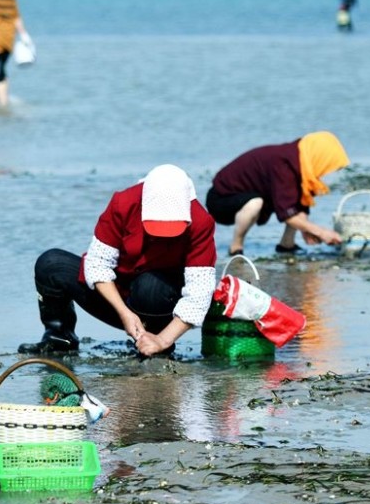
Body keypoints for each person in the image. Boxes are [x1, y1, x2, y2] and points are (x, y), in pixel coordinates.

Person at [19, 165, 217, 358]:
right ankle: (59, 336)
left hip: (160, 304)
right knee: (50, 264)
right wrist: (124, 313)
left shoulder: (200, 222)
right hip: (116, 297)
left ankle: (154, 346)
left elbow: (199, 294)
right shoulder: (124, 203)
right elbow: (97, 263)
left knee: (150, 285)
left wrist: (163, 340)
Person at [205, 131, 350, 256]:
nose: (328, 172)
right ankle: (236, 247)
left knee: (295, 203)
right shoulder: (283, 166)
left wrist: (306, 228)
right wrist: (321, 232)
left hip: (250, 194)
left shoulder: (299, 161)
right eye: (328, 166)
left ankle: (287, 244)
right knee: (255, 203)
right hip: (221, 199)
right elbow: (287, 215)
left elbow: (300, 203)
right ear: (319, 158)